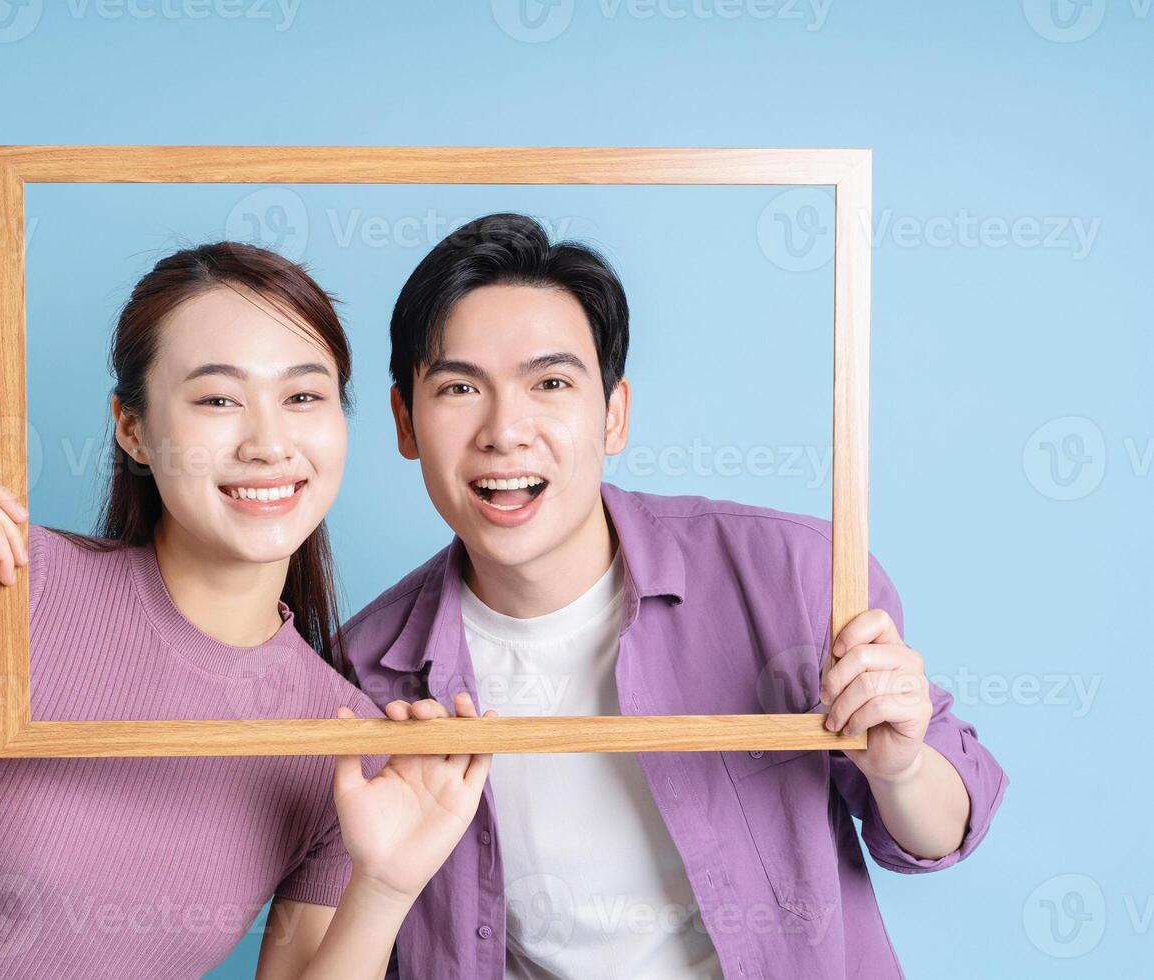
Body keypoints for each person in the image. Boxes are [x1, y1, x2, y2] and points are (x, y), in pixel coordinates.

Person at [0, 242, 494, 979]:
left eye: (303, 396)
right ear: (133, 429)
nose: (268, 443)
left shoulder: (340, 738)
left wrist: (387, 886)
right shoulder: (16, 587)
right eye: (216, 399)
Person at [339, 213, 1009, 979]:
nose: (505, 430)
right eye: (459, 388)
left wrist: (898, 766)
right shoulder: (367, 667)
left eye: (550, 383)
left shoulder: (794, 571)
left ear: (613, 413)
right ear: (404, 421)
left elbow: (941, 832)